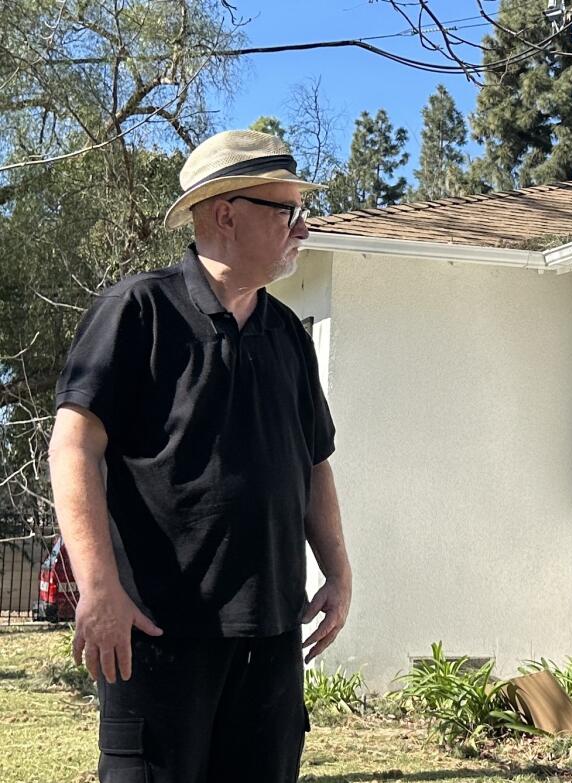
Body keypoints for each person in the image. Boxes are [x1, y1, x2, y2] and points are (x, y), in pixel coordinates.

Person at [47, 130, 352, 782]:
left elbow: (314, 462)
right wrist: (97, 586)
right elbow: (73, 444)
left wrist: (339, 571)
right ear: (225, 214)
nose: (305, 227)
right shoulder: (138, 312)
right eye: (289, 211)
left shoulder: (288, 338)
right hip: (159, 637)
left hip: (271, 644)